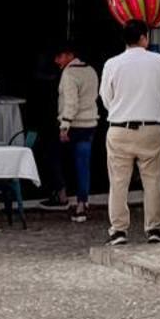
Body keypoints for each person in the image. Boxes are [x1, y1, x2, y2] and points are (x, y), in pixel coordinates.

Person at [100, 20, 160, 246]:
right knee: (153, 181)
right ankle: (154, 229)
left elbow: (106, 98)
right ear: (144, 37)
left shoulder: (112, 64)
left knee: (118, 182)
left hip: (120, 128)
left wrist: (122, 109)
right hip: (151, 128)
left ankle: (119, 230)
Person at [54, 42, 100, 223]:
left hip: (74, 125)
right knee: (84, 164)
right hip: (90, 124)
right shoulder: (91, 70)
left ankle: (62, 194)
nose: (57, 60)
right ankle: (83, 202)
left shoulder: (69, 73)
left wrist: (65, 125)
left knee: (55, 157)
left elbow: (71, 102)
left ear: (69, 55)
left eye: (59, 56)